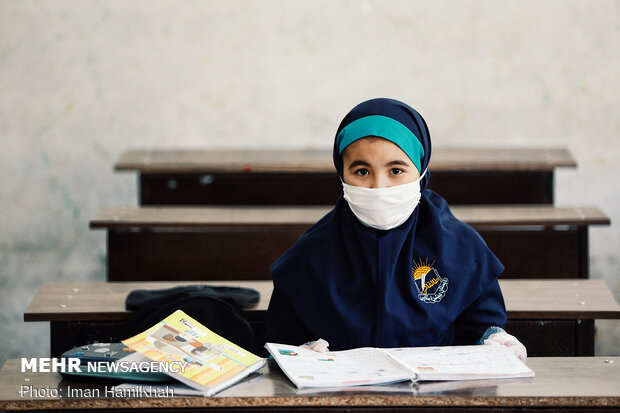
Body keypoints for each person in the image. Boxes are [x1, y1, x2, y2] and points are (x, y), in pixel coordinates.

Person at [265, 98, 526, 360]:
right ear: (341, 174)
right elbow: (282, 335)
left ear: (422, 171)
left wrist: (493, 337)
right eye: (362, 171)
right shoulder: (310, 255)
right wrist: (300, 351)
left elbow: (481, 323)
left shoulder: (460, 247)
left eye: (396, 170)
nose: (379, 187)